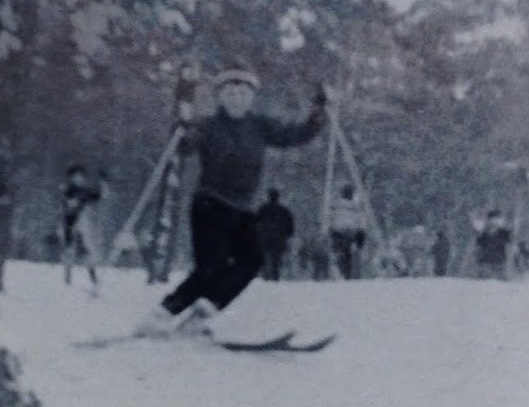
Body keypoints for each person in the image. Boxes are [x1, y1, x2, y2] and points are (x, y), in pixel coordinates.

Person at [134, 65, 327, 336]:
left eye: (242, 93)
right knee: (210, 267)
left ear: (251, 97)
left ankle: (204, 312)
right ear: (220, 97)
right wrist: (182, 128)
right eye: (230, 92)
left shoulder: (259, 126)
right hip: (209, 205)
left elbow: (294, 135)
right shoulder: (208, 125)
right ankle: (162, 314)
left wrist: (318, 114)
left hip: (242, 209)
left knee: (252, 260)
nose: (236, 98)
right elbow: (185, 147)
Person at [61, 164, 107, 295]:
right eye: (76, 176)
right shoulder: (68, 190)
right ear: (71, 178)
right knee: (69, 252)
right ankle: (67, 282)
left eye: (81, 176)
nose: (79, 179)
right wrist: (78, 202)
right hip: (70, 225)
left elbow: (100, 196)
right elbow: (70, 205)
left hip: (81, 225)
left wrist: (103, 181)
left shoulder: (84, 191)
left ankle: (93, 279)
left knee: (86, 252)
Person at [328, 184, 369, 280]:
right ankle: (345, 273)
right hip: (343, 233)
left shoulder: (337, 204)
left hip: (345, 233)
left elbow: (361, 220)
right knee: (346, 255)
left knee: (345, 254)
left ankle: (346, 273)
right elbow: (361, 220)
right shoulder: (353, 206)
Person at [254, 188, 296, 281]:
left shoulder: (263, 209)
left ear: (269, 197)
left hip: (265, 236)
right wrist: (288, 235)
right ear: (278, 197)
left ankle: (266, 275)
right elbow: (290, 225)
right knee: (277, 257)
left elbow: (256, 222)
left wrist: (258, 233)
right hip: (279, 237)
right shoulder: (284, 211)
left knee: (265, 256)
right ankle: (275, 275)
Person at [473, 209, 513, 280]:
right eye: (492, 220)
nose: (494, 222)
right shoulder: (484, 231)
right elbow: (479, 245)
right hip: (487, 260)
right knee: (482, 282)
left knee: (502, 283)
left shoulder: (503, 232)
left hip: (497, 260)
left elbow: (508, 243)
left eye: (496, 219)